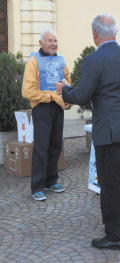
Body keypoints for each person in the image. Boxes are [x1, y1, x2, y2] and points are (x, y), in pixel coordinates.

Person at [55, 14, 120, 249]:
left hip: (110, 131)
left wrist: (65, 90)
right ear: (115, 32)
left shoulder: (92, 60)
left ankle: (115, 236)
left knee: (110, 184)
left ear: (95, 35)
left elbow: (82, 95)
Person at [22, 29, 71, 201]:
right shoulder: (33, 61)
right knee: (41, 148)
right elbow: (27, 91)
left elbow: (67, 83)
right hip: (42, 108)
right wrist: (52, 96)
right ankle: (37, 187)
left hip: (57, 108)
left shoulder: (61, 60)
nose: (53, 44)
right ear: (41, 43)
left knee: (56, 146)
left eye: (55, 41)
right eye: (49, 40)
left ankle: (51, 181)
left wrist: (68, 99)